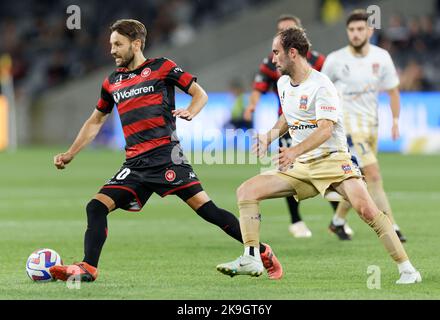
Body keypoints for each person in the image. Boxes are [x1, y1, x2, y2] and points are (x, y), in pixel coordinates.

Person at [49, 19, 283, 282]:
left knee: (209, 212)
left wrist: (191, 112)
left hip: (166, 159)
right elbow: (95, 120)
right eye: (111, 44)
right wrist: (71, 153)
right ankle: (88, 268)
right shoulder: (112, 81)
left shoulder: (162, 67)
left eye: (118, 44)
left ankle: (262, 251)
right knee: (95, 207)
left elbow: (200, 94)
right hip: (134, 165)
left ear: (136, 44)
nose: (112, 50)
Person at [216, 27, 421, 284]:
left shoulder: (322, 85)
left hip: (333, 160)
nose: (273, 58)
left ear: (292, 53)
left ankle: (408, 269)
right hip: (302, 165)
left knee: (367, 211)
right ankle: (251, 256)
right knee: (246, 191)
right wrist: (270, 135)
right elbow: (289, 117)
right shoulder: (282, 83)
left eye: (276, 52)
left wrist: (293, 151)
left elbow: (325, 130)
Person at [242, 14, 344, 239]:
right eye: (280, 30)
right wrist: (252, 106)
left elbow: (332, 89)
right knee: (287, 169)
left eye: (289, 29)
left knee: (326, 170)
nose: (284, 33)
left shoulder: (318, 62)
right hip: (289, 124)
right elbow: (258, 87)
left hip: (318, 124)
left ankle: (338, 217)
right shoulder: (271, 63)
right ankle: (296, 220)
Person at [321, 10, 407, 242]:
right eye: (352, 30)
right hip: (347, 129)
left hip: (371, 127)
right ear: (347, 32)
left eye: (360, 29)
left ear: (369, 31)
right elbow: (319, 88)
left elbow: (393, 90)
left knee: (360, 179)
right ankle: (392, 226)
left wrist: (396, 121)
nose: (356, 34)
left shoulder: (382, 57)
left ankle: (338, 221)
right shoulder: (335, 59)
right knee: (373, 174)